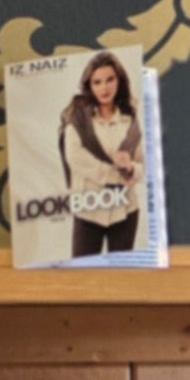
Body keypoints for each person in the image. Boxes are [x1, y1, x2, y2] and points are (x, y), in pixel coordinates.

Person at [58, 52, 141, 255]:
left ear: (119, 81)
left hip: (125, 210)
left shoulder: (132, 118)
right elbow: (75, 158)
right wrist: (118, 176)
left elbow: (142, 161)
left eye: (110, 79)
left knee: (121, 273)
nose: (104, 88)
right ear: (89, 85)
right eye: (97, 82)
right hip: (89, 211)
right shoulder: (78, 116)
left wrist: (131, 169)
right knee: (83, 271)